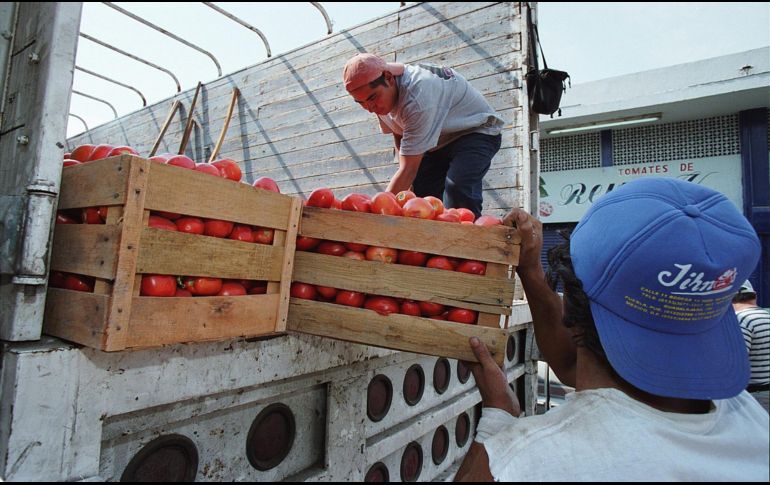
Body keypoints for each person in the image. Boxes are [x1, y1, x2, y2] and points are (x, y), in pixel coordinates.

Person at [455, 178, 770, 481]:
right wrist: (531, 271)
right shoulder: (749, 419)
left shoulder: (529, 461)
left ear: (574, 309)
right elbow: (574, 366)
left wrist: (497, 421)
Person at [342, 52, 505, 217]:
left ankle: (470, 238)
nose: (369, 108)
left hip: (476, 130)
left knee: (458, 188)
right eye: (360, 103)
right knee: (422, 195)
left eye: (371, 98)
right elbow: (399, 133)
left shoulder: (417, 97)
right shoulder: (380, 96)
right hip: (437, 140)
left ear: (389, 78)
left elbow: (408, 168)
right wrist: (406, 178)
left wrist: (377, 215)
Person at [732, 279, 770, 411]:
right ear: (755, 296)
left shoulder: (741, 320)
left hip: (755, 396)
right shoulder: (767, 315)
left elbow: (738, 362)